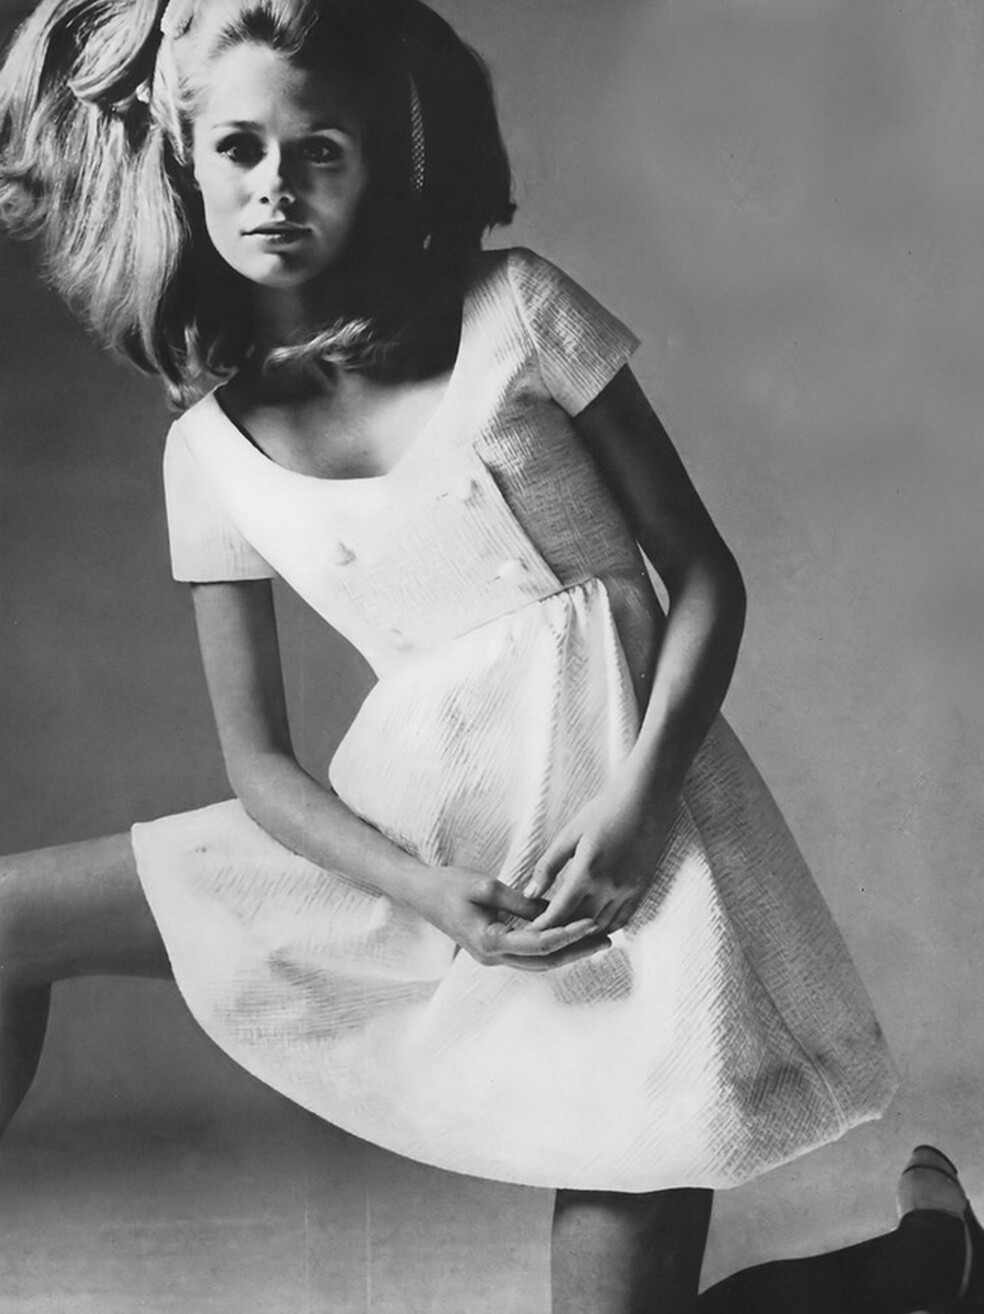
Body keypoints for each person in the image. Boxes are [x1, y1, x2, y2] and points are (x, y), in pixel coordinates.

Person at [0, 1, 974, 1310]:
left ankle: (928, 1264)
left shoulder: (517, 308)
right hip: (417, 845)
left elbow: (702, 579)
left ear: (383, 162)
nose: (276, 185)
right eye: (238, 148)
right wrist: (426, 892)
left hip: (619, 869)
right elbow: (260, 766)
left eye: (319, 150)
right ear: (184, 163)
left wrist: (636, 812)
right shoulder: (207, 453)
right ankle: (936, 1267)